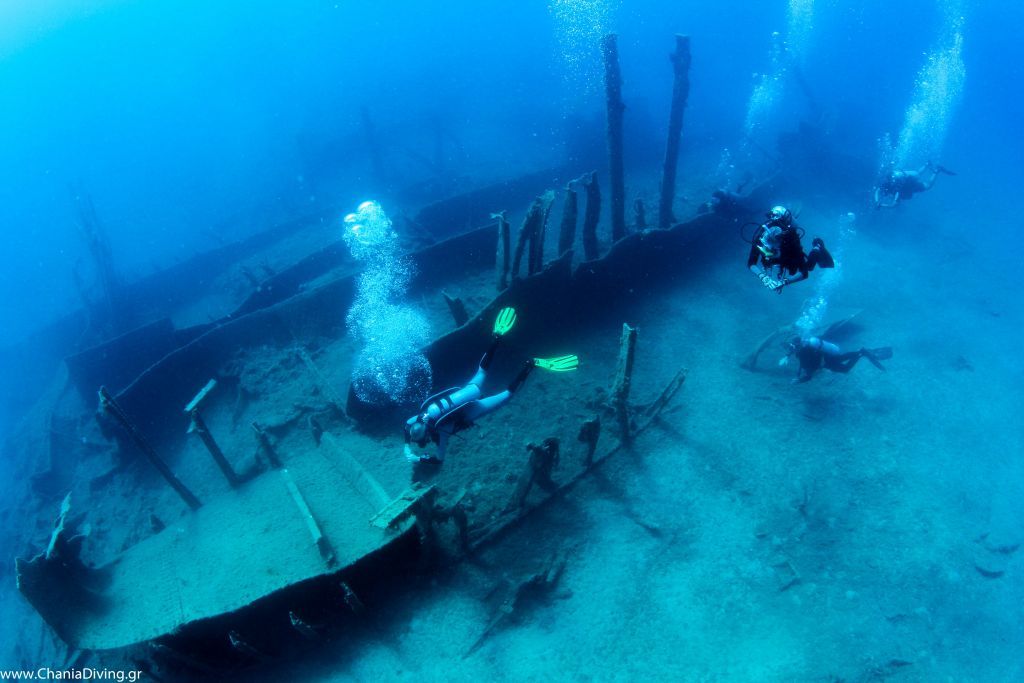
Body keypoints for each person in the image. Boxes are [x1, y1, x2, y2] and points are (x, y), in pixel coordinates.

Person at [404, 307, 578, 465]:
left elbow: (439, 459)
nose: (425, 442)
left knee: (507, 395)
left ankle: (530, 365)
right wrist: (406, 445)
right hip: (467, 392)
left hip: (473, 408)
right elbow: (407, 424)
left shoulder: (441, 431)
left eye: (423, 440)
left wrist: (417, 458)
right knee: (481, 372)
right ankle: (497, 338)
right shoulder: (421, 416)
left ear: (426, 433)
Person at [747, 206, 834, 292]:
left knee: (809, 267)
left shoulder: (791, 242)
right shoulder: (760, 240)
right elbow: (751, 263)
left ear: (781, 244)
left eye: (774, 250)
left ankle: (817, 246)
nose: (770, 252)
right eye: (768, 250)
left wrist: (784, 282)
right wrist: (763, 277)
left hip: (788, 258)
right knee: (770, 261)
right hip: (779, 258)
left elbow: (804, 273)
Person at [780, 336, 892, 383]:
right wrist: (787, 356)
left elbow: (808, 374)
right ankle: (860, 352)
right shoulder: (804, 346)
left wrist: (799, 380)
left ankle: (861, 353)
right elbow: (797, 354)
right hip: (829, 357)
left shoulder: (803, 352)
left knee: (845, 369)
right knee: (842, 358)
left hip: (828, 361)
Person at [874, 161, 955, 208]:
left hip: (912, 185)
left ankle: (936, 171)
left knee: (928, 185)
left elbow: (893, 205)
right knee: (917, 173)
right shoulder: (888, 183)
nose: (884, 193)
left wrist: (881, 205)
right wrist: (877, 201)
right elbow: (877, 191)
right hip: (909, 177)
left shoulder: (896, 190)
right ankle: (926, 164)